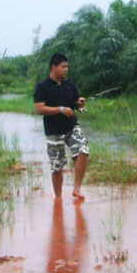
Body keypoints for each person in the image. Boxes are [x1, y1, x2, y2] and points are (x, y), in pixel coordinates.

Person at [33, 53, 89, 199]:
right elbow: (40, 109)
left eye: (67, 67)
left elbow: (76, 103)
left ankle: (76, 189)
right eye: (63, 67)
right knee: (57, 167)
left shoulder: (70, 85)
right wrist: (61, 110)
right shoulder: (42, 87)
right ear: (54, 67)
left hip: (71, 127)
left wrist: (80, 103)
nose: (66, 70)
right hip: (53, 131)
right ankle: (58, 199)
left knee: (83, 151)